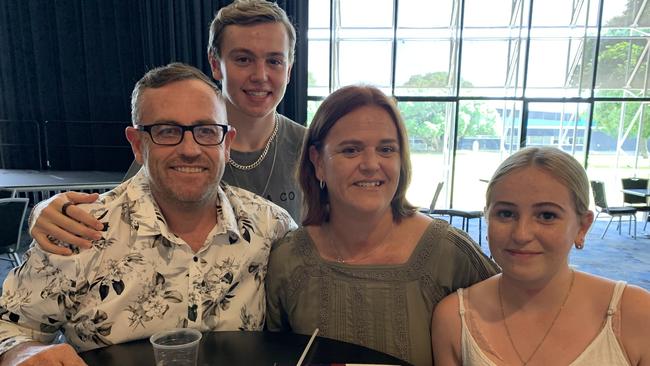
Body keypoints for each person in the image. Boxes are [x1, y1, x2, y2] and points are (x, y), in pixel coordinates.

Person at [0, 63, 296, 365]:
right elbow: (8, 322)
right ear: (138, 144)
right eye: (167, 131)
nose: (190, 149)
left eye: (207, 131)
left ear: (227, 143)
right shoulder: (78, 230)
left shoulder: (270, 226)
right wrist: (21, 351)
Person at [29, 0, 305, 257]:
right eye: (243, 59)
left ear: (289, 68)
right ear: (215, 64)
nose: (260, 76)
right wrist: (43, 210)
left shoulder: (311, 147)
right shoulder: (173, 143)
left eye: (274, 61)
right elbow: (120, 213)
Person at [265, 85, 499, 366]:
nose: (371, 164)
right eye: (351, 150)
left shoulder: (449, 253)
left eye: (387, 149)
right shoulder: (288, 260)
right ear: (318, 162)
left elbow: (514, 327)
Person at [431, 146, 650, 366]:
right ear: (488, 218)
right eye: (506, 213)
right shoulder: (453, 319)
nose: (521, 234)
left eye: (547, 215)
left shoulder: (634, 312)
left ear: (582, 227)